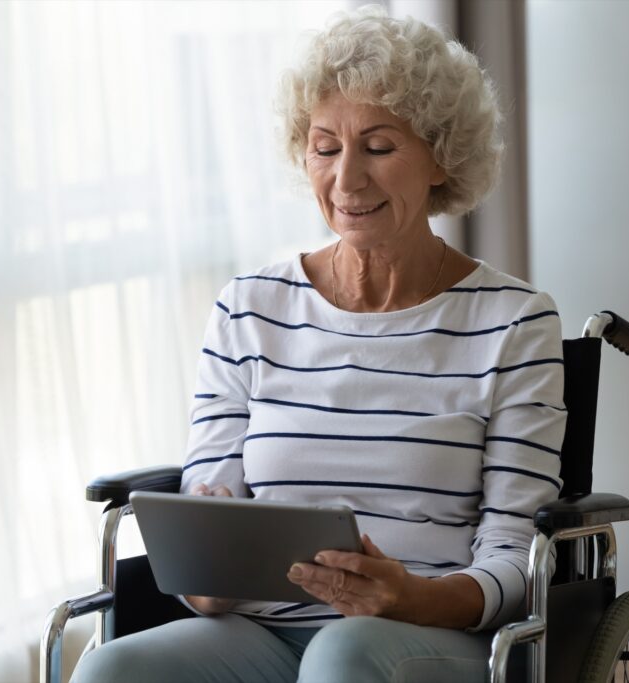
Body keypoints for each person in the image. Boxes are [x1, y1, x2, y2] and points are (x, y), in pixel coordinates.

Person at [72, 5, 564, 682]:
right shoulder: (250, 308)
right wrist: (204, 570)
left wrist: (411, 596)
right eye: (325, 147)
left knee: (342, 654)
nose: (346, 179)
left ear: (441, 157)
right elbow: (208, 529)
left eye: (380, 147)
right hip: (261, 628)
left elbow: (518, 559)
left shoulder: (514, 322)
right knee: (111, 669)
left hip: (428, 633)